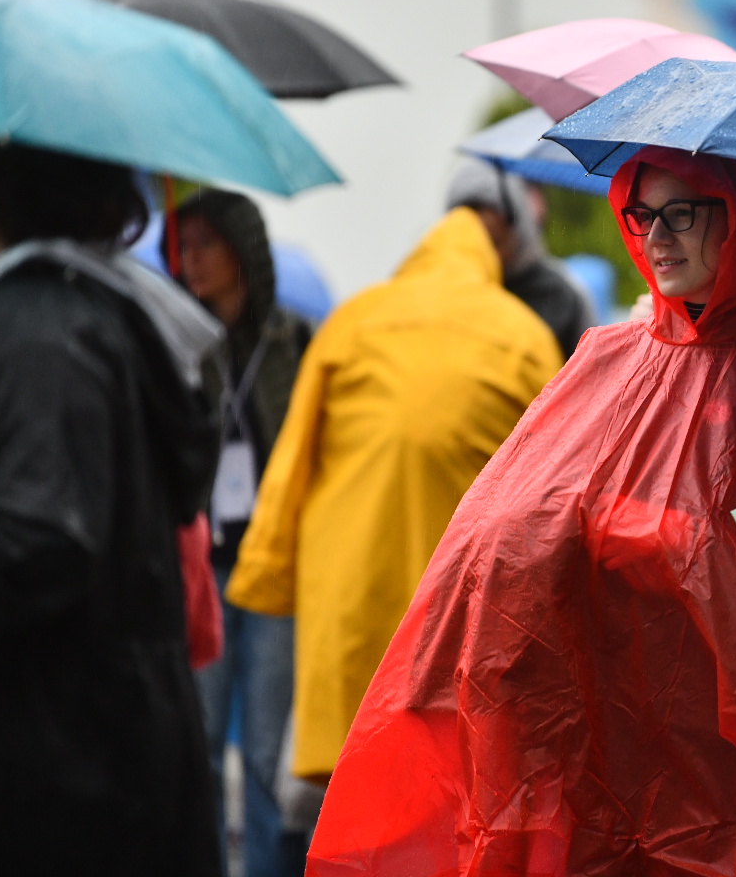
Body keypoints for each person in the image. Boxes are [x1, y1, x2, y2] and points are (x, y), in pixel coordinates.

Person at [305, 147, 736, 877]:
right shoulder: (602, 361)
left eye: (681, 213)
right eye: (642, 214)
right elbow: (499, 535)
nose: (657, 236)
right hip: (596, 753)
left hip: (731, 768)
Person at [0, 124, 221, 875]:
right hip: (77, 781)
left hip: (50, 798)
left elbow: (42, 543)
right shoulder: (50, 317)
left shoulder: (34, 334)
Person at [224, 203, 562, 790]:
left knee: (356, 791)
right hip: (464, 607)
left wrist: (267, 577)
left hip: (349, 593)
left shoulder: (352, 321)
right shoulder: (523, 335)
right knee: (448, 788)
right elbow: (554, 490)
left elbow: (291, 463)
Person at [168, 189, 314, 877]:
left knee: (261, 753)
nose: (189, 260)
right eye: (182, 245)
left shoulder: (293, 340)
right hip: (203, 566)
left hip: (276, 573)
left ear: (242, 250)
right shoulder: (174, 339)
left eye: (204, 243)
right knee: (195, 746)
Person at [446, 156, 597, 359]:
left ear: (518, 228)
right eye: (472, 237)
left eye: (494, 241)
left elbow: (591, 374)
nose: (483, 251)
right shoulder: (439, 290)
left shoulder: (561, 295)